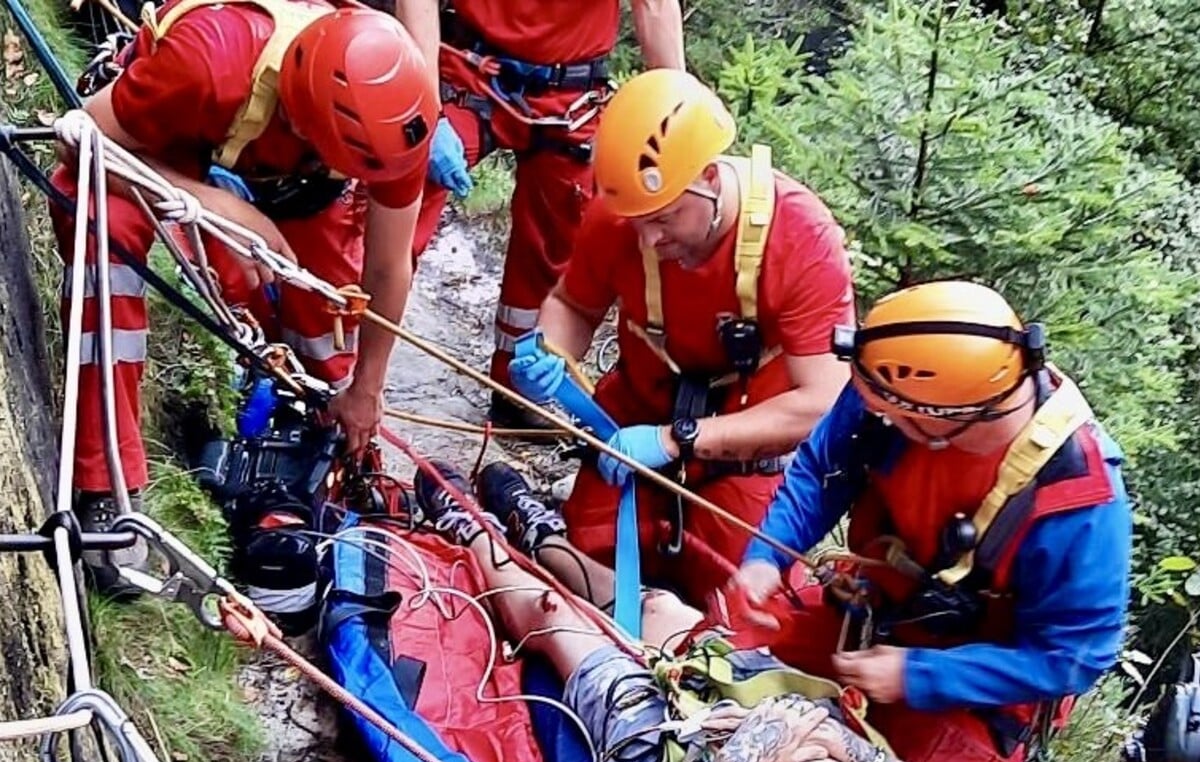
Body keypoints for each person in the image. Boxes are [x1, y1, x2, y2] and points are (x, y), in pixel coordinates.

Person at [50, 0, 437, 593]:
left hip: (300, 184)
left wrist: (366, 389)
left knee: (325, 332)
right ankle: (107, 488)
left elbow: (387, 268)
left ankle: (326, 452)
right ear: (306, 124)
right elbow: (79, 139)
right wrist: (214, 206)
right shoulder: (208, 59)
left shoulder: (397, 120)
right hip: (162, 142)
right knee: (104, 225)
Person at [723, 280, 1133, 762]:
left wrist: (920, 675)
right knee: (724, 664)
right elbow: (823, 468)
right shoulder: (891, 389)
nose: (875, 417)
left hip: (979, 684)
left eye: (895, 416)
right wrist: (767, 556)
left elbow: (1072, 657)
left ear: (942, 423)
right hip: (870, 610)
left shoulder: (1080, 499)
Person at [508, 69, 855, 607]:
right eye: (639, 221)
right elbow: (573, 304)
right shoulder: (621, 214)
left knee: (746, 600)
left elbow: (821, 404)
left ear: (710, 177)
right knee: (584, 560)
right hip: (629, 428)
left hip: (743, 449)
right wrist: (550, 351)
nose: (648, 237)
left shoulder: (801, 238)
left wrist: (678, 439)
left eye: (665, 218)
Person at [411, 457, 952, 762]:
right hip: (785, 719)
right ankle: (545, 538)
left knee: (564, 625)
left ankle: (473, 530)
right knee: (660, 611)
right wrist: (835, 740)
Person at [394, 0, 685, 426]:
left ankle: (520, 383)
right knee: (402, 191)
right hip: (470, 68)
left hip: (571, 93)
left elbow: (655, 7)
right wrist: (426, 104)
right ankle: (352, 361)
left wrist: (676, 115)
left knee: (558, 241)